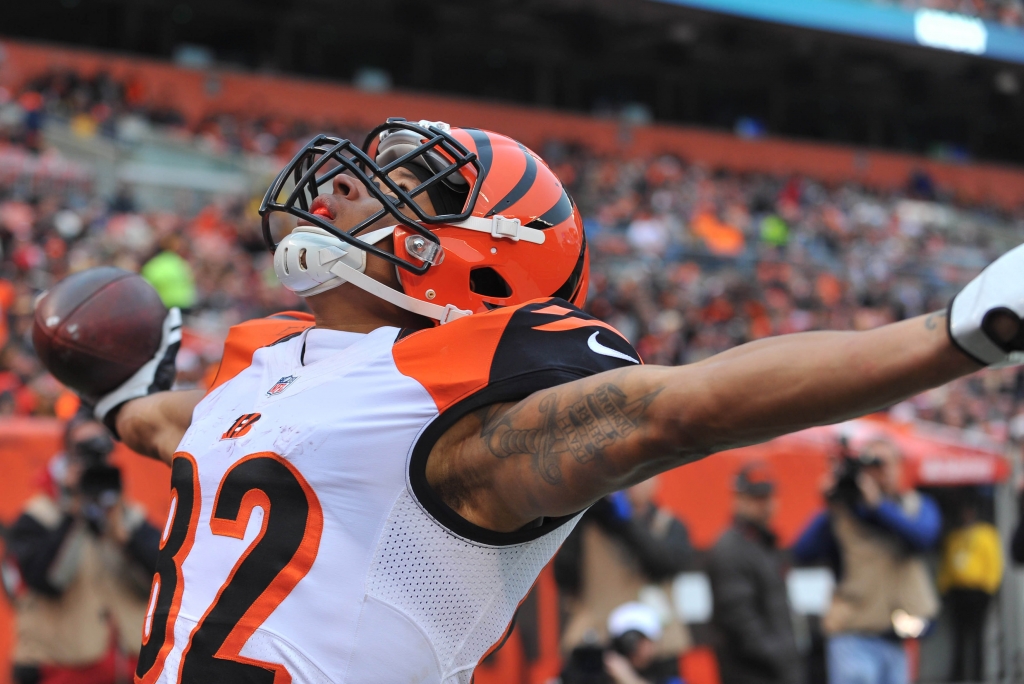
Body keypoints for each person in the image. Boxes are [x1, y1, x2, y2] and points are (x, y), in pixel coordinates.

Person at [39, 119, 1024, 684]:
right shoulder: (270, 373)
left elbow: (677, 409)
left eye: (410, 191)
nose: (357, 195)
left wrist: (947, 334)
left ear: (484, 257)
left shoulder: (457, 410)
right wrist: (128, 396)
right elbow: (185, 433)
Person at [2, 414, 161, 684]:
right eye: (84, 448)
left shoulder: (128, 517)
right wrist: (74, 511)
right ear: (67, 455)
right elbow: (45, 582)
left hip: (129, 666)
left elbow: (164, 579)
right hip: (62, 668)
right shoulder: (38, 517)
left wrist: (121, 531)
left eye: (100, 446)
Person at [792, 439, 942, 684]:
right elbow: (802, 552)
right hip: (853, 634)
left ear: (899, 467)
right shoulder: (845, 511)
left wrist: (878, 507)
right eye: (870, 465)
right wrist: (831, 503)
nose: (877, 473)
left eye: (882, 464)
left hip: (895, 638)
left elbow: (923, 538)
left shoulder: (916, 505)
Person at [557, 476, 693, 659]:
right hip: (599, 640)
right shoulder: (588, 527)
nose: (633, 484)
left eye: (643, 476)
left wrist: (625, 523)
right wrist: (580, 515)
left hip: (658, 645)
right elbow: (564, 577)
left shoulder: (670, 525)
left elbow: (664, 566)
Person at [709, 463, 801, 684]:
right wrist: (779, 657)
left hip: (775, 670)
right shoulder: (730, 548)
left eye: (768, 496)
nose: (766, 505)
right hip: (750, 673)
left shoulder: (764, 544)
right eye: (757, 497)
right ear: (738, 499)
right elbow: (740, 621)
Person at [936, 491, 1003, 682]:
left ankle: (977, 675)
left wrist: (989, 588)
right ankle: (958, 675)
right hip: (958, 591)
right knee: (959, 637)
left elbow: (993, 562)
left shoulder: (986, 533)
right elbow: (946, 565)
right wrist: (945, 587)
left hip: (978, 591)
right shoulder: (954, 536)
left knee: (978, 636)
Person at [561, 602, 682, 684]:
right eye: (628, 639)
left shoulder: (666, 672)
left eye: (642, 638)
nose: (634, 647)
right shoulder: (601, 670)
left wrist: (629, 678)